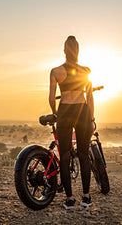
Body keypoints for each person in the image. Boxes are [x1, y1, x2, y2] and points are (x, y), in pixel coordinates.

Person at [49, 35, 95, 209]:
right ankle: (86, 197)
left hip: (65, 111)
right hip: (82, 111)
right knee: (84, 154)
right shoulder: (86, 71)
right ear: (78, 51)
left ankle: (69, 199)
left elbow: (52, 99)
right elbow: (90, 98)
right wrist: (91, 118)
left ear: (64, 50)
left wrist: (56, 113)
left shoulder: (56, 71)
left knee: (65, 155)